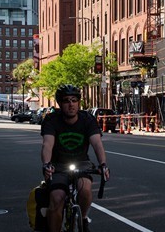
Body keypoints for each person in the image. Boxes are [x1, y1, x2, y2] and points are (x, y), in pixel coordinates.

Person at [41, 85, 109, 232]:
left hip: (82, 164)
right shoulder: (52, 119)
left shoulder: (87, 119)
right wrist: (46, 164)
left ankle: (83, 218)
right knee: (57, 198)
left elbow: (97, 143)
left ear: (79, 102)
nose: (71, 104)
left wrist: (103, 164)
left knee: (85, 190)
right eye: (66, 101)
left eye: (74, 100)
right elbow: (47, 144)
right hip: (58, 165)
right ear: (60, 104)